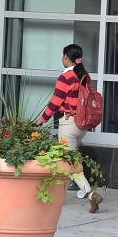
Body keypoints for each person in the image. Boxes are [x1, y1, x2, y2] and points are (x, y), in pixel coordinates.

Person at [36, 43, 102, 213]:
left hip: (68, 125)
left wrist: (40, 120)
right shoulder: (84, 75)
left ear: (66, 57)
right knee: (65, 160)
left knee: (71, 164)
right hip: (82, 126)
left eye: (63, 56)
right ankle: (58, 192)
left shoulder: (65, 78)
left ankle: (90, 194)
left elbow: (55, 103)